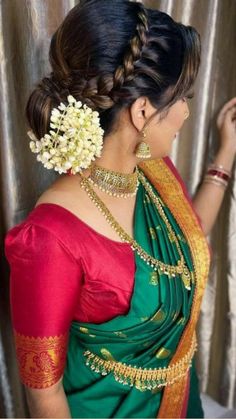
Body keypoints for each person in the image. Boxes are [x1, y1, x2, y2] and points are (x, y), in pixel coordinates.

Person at [4, 0, 236, 417]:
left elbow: (192, 237)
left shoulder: (154, 173)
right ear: (143, 111)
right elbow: (44, 395)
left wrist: (225, 156)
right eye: (182, 98)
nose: (186, 111)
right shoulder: (50, 239)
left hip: (181, 403)